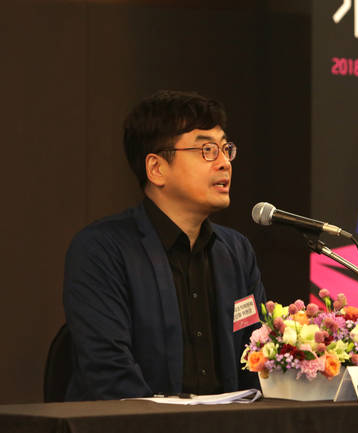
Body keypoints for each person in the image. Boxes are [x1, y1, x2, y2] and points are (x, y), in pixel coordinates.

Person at [62, 90, 266, 401]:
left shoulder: (236, 252)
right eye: (207, 150)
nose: (224, 163)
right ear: (157, 169)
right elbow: (109, 372)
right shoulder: (101, 249)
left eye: (226, 149)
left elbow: (256, 359)